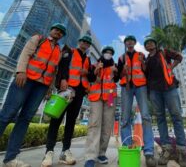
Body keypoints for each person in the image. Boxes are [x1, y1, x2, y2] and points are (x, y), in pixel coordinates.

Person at [0, 23, 66, 167]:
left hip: (41, 87)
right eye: (56, 30)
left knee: (25, 119)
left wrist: (49, 89)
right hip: (24, 80)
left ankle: (10, 158)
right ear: (51, 30)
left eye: (61, 32)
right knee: (7, 114)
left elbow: (53, 71)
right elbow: (25, 53)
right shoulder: (38, 39)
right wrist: (20, 71)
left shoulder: (59, 51)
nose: (58, 33)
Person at [41, 35, 93, 167]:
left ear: (89, 46)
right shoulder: (70, 51)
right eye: (83, 41)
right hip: (66, 89)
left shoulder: (88, 59)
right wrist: (63, 79)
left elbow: (91, 77)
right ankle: (49, 152)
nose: (85, 44)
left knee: (71, 122)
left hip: (80, 92)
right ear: (79, 42)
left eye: (87, 43)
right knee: (56, 120)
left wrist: (87, 72)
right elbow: (62, 66)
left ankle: (65, 152)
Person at [144, 36, 186, 167]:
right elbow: (146, 76)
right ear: (146, 47)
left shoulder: (163, 52)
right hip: (154, 92)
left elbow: (179, 57)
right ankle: (166, 149)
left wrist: (171, 67)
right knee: (160, 118)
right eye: (147, 44)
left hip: (169, 88)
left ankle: (181, 151)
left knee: (176, 116)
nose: (149, 44)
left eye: (151, 42)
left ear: (155, 44)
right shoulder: (147, 60)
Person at [117, 35, 156, 167]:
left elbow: (146, 71)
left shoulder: (141, 55)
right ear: (125, 43)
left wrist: (143, 62)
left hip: (141, 87)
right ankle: (127, 149)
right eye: (127, 41)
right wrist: (123, 71)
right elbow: (118, 76)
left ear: (134, 43)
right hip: (126, 88)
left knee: (145, 116)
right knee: (125, 119)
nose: (130, 43)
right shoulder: (121, 58)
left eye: (132, 41)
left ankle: (149, 152)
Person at [84, 46, 119, 167]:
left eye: (110, 53)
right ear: (102, 53)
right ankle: (90, 157)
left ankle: (101, 153)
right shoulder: (95, 65)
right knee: (94, 124)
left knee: (107, 124)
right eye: (106, 52)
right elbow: (90, 78)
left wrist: (116, 72)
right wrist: (96, 70)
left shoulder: (114, 66)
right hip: (96, 97)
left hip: (110, 97)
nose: (108, 54)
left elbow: (117, 79)